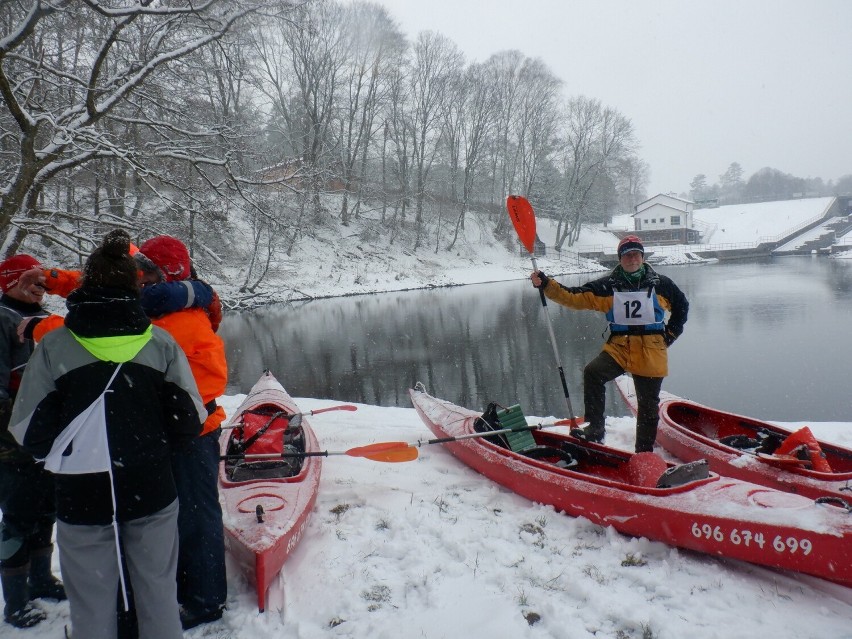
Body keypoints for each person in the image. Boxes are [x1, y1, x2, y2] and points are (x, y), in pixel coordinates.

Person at [8, 230, 207, 639]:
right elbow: (189, 420)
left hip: (82, 491)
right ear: (136, 287)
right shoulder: (161, 343)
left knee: (91, 598)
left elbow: (29, 430)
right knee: (157, 591)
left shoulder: (55, 345)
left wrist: (67, 451)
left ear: (86, 286)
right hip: (150, 483)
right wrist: (150, 443)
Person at [137, 235, 228, 630]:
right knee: (182, 516)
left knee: (195, 517)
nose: (137, 277)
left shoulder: (178, 322)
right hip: (182, 431)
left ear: (162, 274)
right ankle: (188, 590)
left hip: (191, 433)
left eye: (145, 270)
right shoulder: (175, 308)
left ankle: (205, 600)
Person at [530, 235, 689, 452]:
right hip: (620, 347)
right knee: (593, 373)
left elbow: (681, 308)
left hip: (651, 349)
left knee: (648, 405)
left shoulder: (662, 284)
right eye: (627, 255)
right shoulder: (608, 285)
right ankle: (595, 430)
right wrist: (547, 284)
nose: (632, 259)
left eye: (636, 254)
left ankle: (643, 452)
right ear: (620, 259)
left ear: (642, 257)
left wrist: (669, 335)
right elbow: (574, 297)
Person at [0, 254, 65, 628]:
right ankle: (16, 602)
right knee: (18, 517)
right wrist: (16, 434)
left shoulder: (37, 321)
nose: (40, 285)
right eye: (30, 279)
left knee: (45, 509)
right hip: (12, 443)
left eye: (43, 279)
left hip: (42, 438)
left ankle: (42, 579)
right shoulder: (2, 321)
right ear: (9, 281)